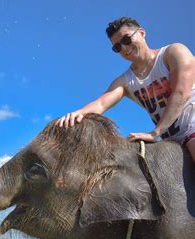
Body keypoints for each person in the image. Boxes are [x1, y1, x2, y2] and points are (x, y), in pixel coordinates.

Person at [56, 17, 195, 162]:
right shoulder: (125, 81)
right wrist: (78, 113)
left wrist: (156, 132)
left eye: (126, 40)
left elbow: (181, 93)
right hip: (169, 140)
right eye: (117, 47)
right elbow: (101, 104)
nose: (123, 48)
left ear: (141, 33)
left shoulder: (173, 52)